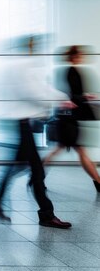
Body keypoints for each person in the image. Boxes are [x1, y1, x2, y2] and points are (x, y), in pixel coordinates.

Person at [0, 36, 73, 228]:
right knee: (36, 169)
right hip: (21, 123)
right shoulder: (22, 66)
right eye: (33, 46)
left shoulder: (19, 65)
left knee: (20, 166)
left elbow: (39, 88)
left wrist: (60, 97)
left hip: (21, 122)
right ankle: (46, 214)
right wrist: (58, 100)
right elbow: (33, 91)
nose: (36, 49)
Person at [43, 46, 100, 192]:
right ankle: (98, 182)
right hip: (69, 118)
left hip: (68, 117)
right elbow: (70, 95)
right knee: (78, 150)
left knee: (62, 149)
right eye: (79, 55)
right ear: (74, 56)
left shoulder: (65, 71)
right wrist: (85, 96)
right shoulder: (71, 71)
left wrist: (84, 96)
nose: (82, 57)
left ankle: (36, 177)